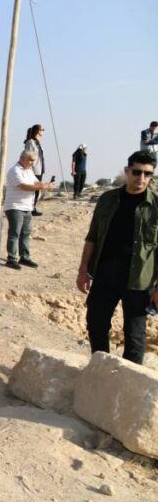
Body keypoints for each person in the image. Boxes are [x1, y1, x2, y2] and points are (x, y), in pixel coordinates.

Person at [77, 150, 158, 365]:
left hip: (139, 281)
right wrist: (83, 270)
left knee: (135, 336)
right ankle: (100, 369)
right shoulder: (107, 200)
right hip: (105, 275)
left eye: (148, 174)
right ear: (127, 171)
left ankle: (128, 384)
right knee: (96, 324)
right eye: (137, 172)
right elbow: (92, 237)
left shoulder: (156, 206)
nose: (141, 178)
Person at [2, 148, 55, 270]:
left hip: (27, 206)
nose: (32, 163)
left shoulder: (29, 170)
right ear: (23, 158)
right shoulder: (14, 170)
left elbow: (36, 184)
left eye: (33, 160)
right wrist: (43, 186)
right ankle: (11, 258)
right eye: (31, 160)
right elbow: (24, 186)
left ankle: (24, 257)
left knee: (26, 233)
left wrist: (46, 185)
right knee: (15, 232)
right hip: (15, 206)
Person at [24, 124, 46, 216]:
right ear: (38, 131)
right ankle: (30, 208)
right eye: (42, 129)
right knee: (33, 190)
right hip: (33, 170)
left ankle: (32, 207)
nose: (43, 131)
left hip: (39, 169)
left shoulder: (37, 142)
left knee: (37, 190)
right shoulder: (30, 142)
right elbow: (28, 156)